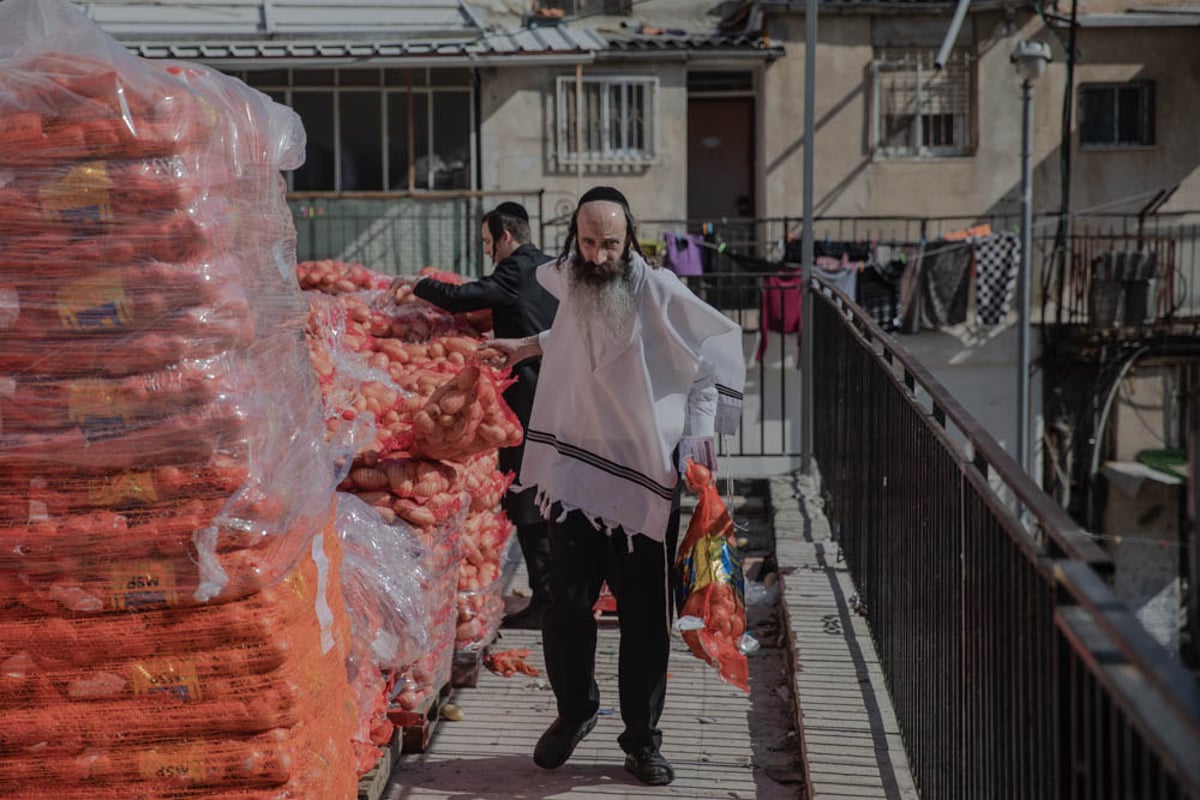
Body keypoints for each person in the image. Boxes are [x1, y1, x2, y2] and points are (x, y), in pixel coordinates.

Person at [483, 186, 745, 786]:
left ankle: (642, 740)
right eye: (588, 242)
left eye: (610, 244)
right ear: (574, 239)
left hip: (646, 476)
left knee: (644, 618)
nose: (598, 256)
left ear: (631, 242)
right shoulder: (572, 284)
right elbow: (575, 339)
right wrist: (523, 345)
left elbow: (715, 350)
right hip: (575, 475)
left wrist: (698, 439)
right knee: (564, 606)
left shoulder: (659, 291)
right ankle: (575, 710)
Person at [394, 201, 558, 628]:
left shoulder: (516, 270)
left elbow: (463, 296)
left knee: (525, 498)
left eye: (489, 242)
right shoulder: (548, 269)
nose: (488, 253)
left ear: (506, 236)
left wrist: (419, 285)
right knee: (551, 496)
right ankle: (559, 596)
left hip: (528, 400)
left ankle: (547, 603)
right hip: (559, 397)